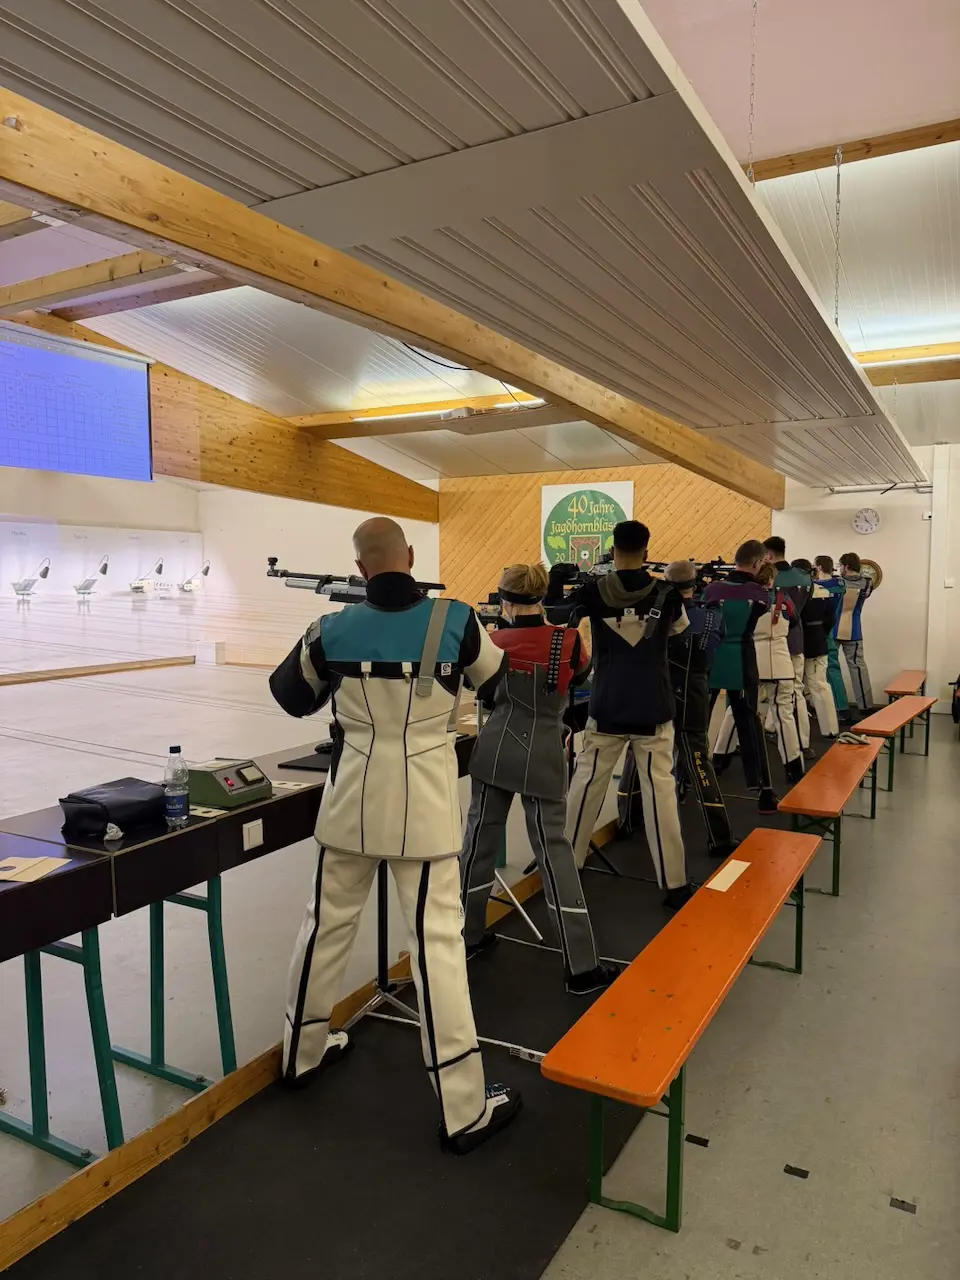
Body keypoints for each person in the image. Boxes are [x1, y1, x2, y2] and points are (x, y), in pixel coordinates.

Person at [269, 517, 521, 1155]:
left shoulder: (330, 628)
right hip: (426, 813)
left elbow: (290, 696)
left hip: (348, 806)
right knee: (437, 949)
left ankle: (300, 1055)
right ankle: (463, 1109)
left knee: (324, 928)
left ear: (359, 569)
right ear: (410, 556)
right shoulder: (457, 620)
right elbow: (499, 684)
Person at [460, 563, 618, 994]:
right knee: (555, 852)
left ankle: (465, 937)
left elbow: (481, 690)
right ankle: (581, 966)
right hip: (545, 752)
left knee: (477, 845)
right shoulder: (569, 641)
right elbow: (579, 678)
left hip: (496, 749)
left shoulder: (492, 643)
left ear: (504, 599)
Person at [545, 520, 692, 910]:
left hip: (607, 705)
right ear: (647, 551)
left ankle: (566, 871)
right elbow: (679, 631)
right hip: (654, 706)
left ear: (613, 550)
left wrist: (554, 584)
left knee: (586, 787)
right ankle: (675, 883)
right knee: (660, 793)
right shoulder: (667, 593)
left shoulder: (593, 591)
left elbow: (557, 617)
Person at [665, 559, 738, 859]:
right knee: (698, 758)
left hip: (663, 689)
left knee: (642, 753)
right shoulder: (712, 615)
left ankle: (630, 818)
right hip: (695, 689)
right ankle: (719, 836)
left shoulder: (661, 615)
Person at [704, 540, 778, 815]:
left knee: (697, 726)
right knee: (750, 725)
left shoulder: (711, 590)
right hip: (743, 659)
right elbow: (762, 607)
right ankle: (764, 791)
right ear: (757, 563)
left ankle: (685, 785)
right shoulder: (760, 594)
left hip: (711, 659)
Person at [716, 561, 804, 783]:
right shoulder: (784, 599)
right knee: (784, 715)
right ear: (772, 579)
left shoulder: (743, 599)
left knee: (736, 711)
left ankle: (719, 759)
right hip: (780, 663)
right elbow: (794, 621)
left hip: (750, 659)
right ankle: (793, 766)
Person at [763, 537, 812, 756]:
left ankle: (734, 744)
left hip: (771, 641)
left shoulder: (769, 578)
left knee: (758, 693)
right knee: (796, 691)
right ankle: (802, 742)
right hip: (796, 638)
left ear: (768, 555)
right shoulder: (805, 578)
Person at [791, 558, 840, 738]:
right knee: (820, 684)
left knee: (792, 686)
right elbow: (831, 619)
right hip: (819, 639)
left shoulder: (795, 593)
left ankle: (783, 729)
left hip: (798, 642)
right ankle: (830, 728)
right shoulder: (823, 591)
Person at [836, 552, 875, 712]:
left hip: (833, 630)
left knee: (831, 669)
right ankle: (866, 706)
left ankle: (839, 707)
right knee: (858, 668)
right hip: (854, 630)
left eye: (840, 566)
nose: (840, 569)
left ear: (846, 566)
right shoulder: (867, 583)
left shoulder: (836, 582)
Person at [814, 555, 850, 722]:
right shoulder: (840, 585)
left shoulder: (817, 587)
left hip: (817, 630)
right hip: (832, 627)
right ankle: (841, 706)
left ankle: (835, 708)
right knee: (833, 668)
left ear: (819, 567)